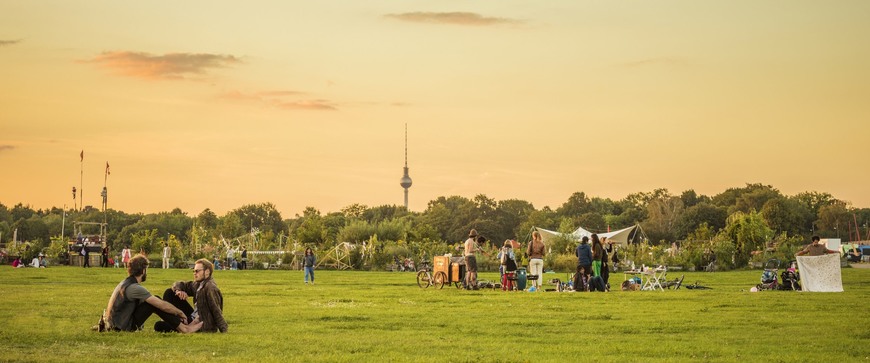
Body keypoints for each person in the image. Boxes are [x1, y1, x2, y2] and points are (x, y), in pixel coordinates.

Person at [103, 254, 201, 333]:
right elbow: (162, 305)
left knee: (155, 301)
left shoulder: (125, 283)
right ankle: (184, 329)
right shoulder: (134, 288)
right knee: (155, 303)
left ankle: (182, 326)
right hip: (122, 327)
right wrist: (180, 313)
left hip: (116, 324)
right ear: (143, 270)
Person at [158, 259, 228, 333]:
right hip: (192, 317)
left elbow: (216, 309)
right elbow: (180, 284)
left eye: (197, 271)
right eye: (194, 271)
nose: (194, 273)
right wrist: (179, 291)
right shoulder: (197, 284)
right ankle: (174, 321)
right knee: (169, 292)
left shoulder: (210, 287)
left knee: (159, 326)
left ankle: (177, 323)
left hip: (201, 323)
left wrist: (223, 329)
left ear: (207, 271)